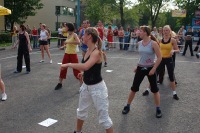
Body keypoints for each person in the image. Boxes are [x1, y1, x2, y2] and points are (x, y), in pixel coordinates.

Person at [61, 27, 114, 133]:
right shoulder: (88, 51)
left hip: (98, 89)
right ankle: (78, 131)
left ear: (89, 36)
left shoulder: (96, 52)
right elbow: (88, 68)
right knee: (81, 112)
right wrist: (83, 74)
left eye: (84, 35)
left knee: (104, 118)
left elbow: (85, 66)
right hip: (86, 86)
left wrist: (68, 64)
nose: (82, 37)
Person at [122, 26, 162, 118]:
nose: (138, 33)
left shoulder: (153, 43)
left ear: (145, 32)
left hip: (150, 68)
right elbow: (141, 56)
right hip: (140, 68)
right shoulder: (139, 43)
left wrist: (154, 68)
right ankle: (127, 106)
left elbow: (160, 57)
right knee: (134, 88)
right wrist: (137, 65)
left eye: (140, 31)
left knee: (155, 90)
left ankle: (158, 108)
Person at [54, 23, 81, 90]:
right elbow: (68, 44)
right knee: (63, 68)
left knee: (76, 70)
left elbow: (78, 42)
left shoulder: (74, 34)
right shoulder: (68, 34)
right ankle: (60, 83)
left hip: (73, 54)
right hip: (66, 54)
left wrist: (69, 43)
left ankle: (82, 85)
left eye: (65, 27)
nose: (64, 28)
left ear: (68, 27)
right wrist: (63, 46)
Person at [156, 25, 180, 100]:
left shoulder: (172, 40)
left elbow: (178, 50)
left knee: (171, 76)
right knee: (155, 73)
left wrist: (173, 50)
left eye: (167, 30)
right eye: (164, 30)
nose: (165, 32)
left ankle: (174, 93)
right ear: (162, 31)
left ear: (170, 31)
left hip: (169, 59)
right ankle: (148, 90)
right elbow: (159, 50)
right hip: (161, 59)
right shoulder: (160, 40)